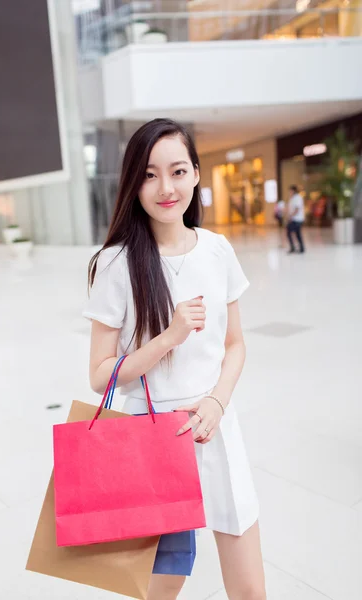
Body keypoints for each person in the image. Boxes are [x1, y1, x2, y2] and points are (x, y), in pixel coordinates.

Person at [83, 119, 266, 600]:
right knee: (158, 592)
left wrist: (218, 402)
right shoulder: (116, 263)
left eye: (178, 171)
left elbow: (235, 345)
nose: (166, 187)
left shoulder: (218, 250)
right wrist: (168, 337)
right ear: (133, 183)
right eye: (149, 174)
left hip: (216, 427)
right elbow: (100, 376)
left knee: (250, 590)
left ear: (196, 175)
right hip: (154, 439)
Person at [287, 185, 305, 254]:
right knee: (297, 234)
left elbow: (297, 209)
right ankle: (301, 248)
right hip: (295, 219)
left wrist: (291, 216)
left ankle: (293, 247)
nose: (289, 192)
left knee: (289, 232)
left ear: (293, 191)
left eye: (290, 191)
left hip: (297, 219)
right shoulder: (293, 198)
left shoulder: (297, 198)